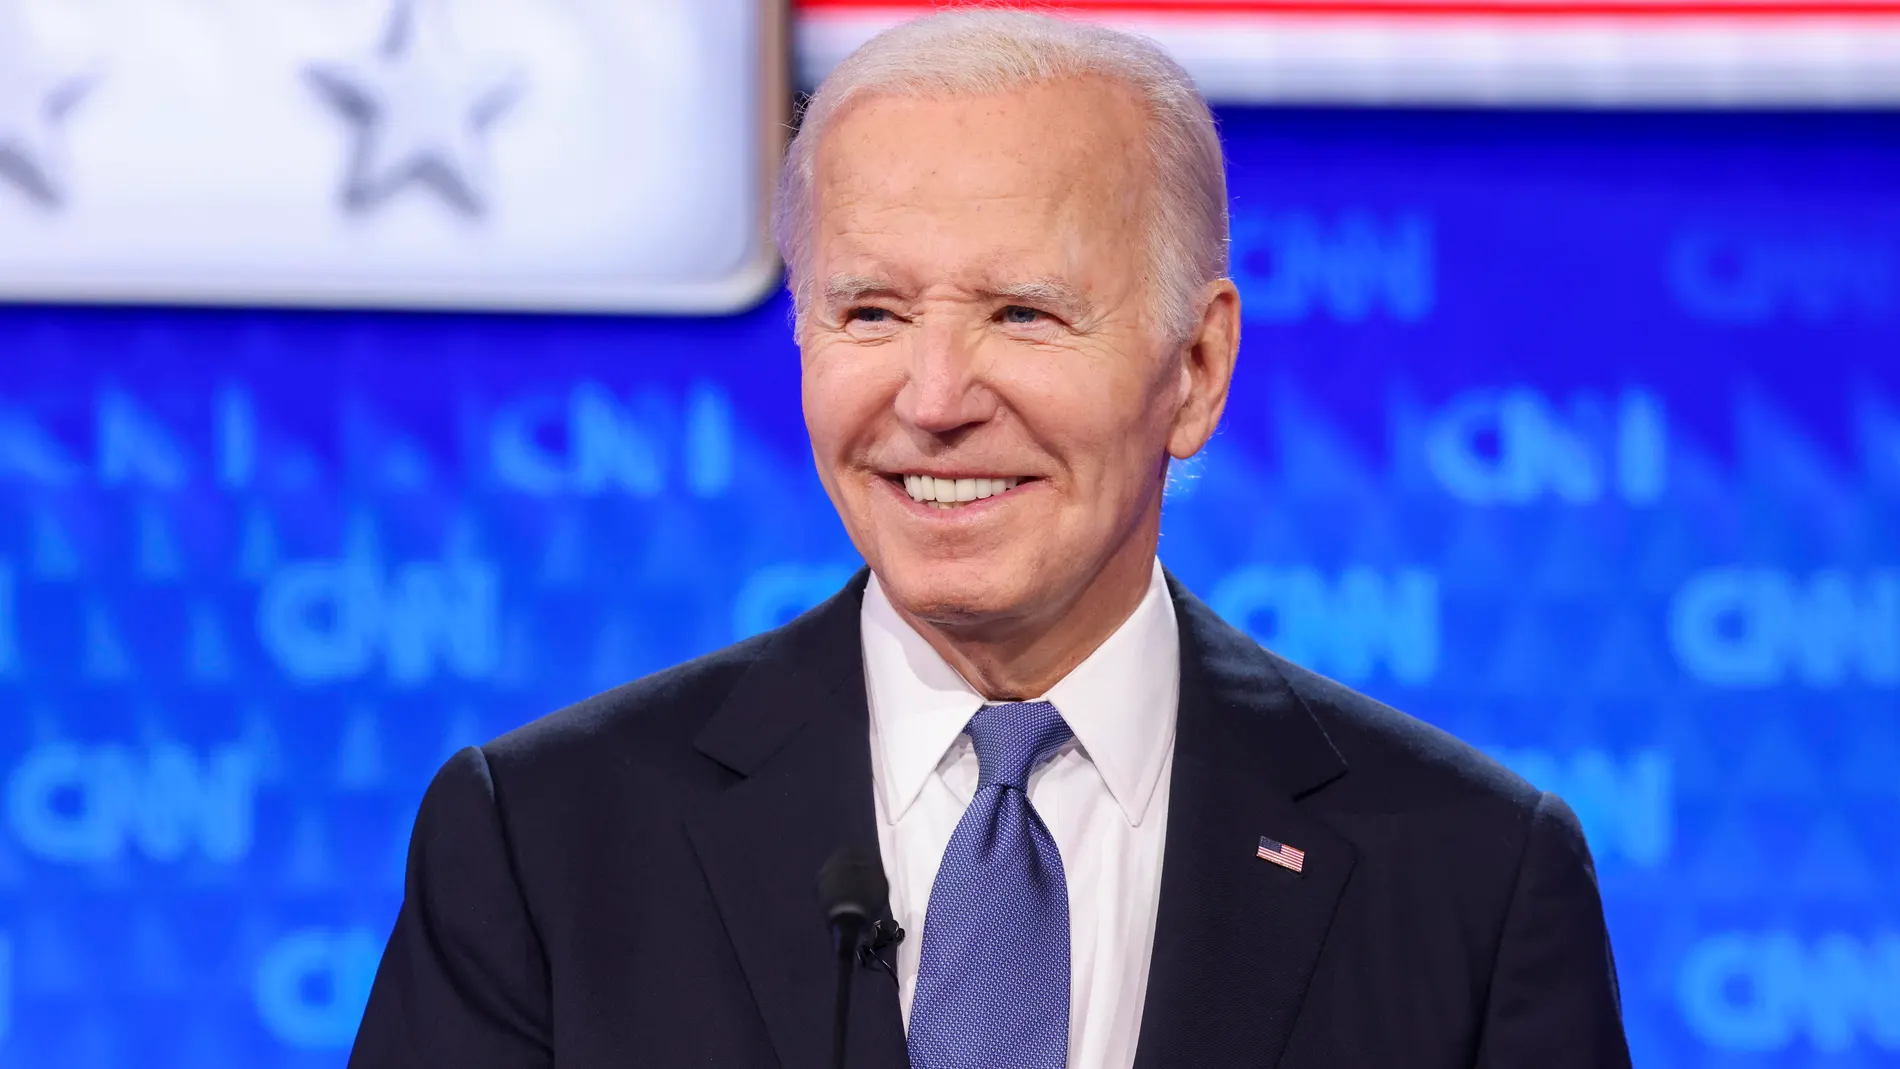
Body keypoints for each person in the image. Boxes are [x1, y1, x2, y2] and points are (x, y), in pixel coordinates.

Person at [347, 11, 1632, 1069]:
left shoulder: (1471, 881)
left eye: (1022, 313)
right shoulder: (542, 844)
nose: (934, 398)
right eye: (869, 311)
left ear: (1194, 367)